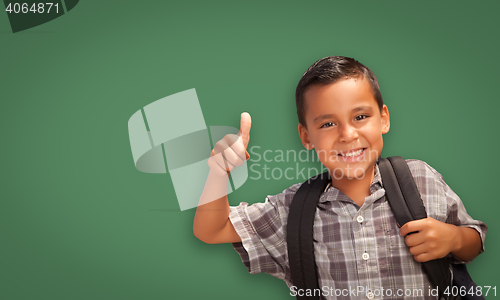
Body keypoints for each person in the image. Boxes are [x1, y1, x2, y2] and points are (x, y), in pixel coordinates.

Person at [193, 56, 487, 299]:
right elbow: (212, 229)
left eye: (360, 117)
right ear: (306, 136)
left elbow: (474, 239)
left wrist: (454, 238)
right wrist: (219, 172)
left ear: (383, 118)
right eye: (329, 123)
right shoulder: (293, 209)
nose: (347, 135)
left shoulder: (420, 178)